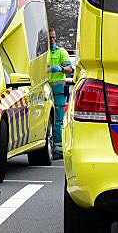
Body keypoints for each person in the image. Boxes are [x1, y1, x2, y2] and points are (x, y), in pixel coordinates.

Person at [47, 29, 75, 158]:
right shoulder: (42, 54)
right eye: (50, 38)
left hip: (58, 90)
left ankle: (58, 150)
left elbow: (70, 69)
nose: (52, 40)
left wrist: (61, 69)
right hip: (45, 90)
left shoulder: (61, 52)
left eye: (53, 38)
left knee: (58, 120)